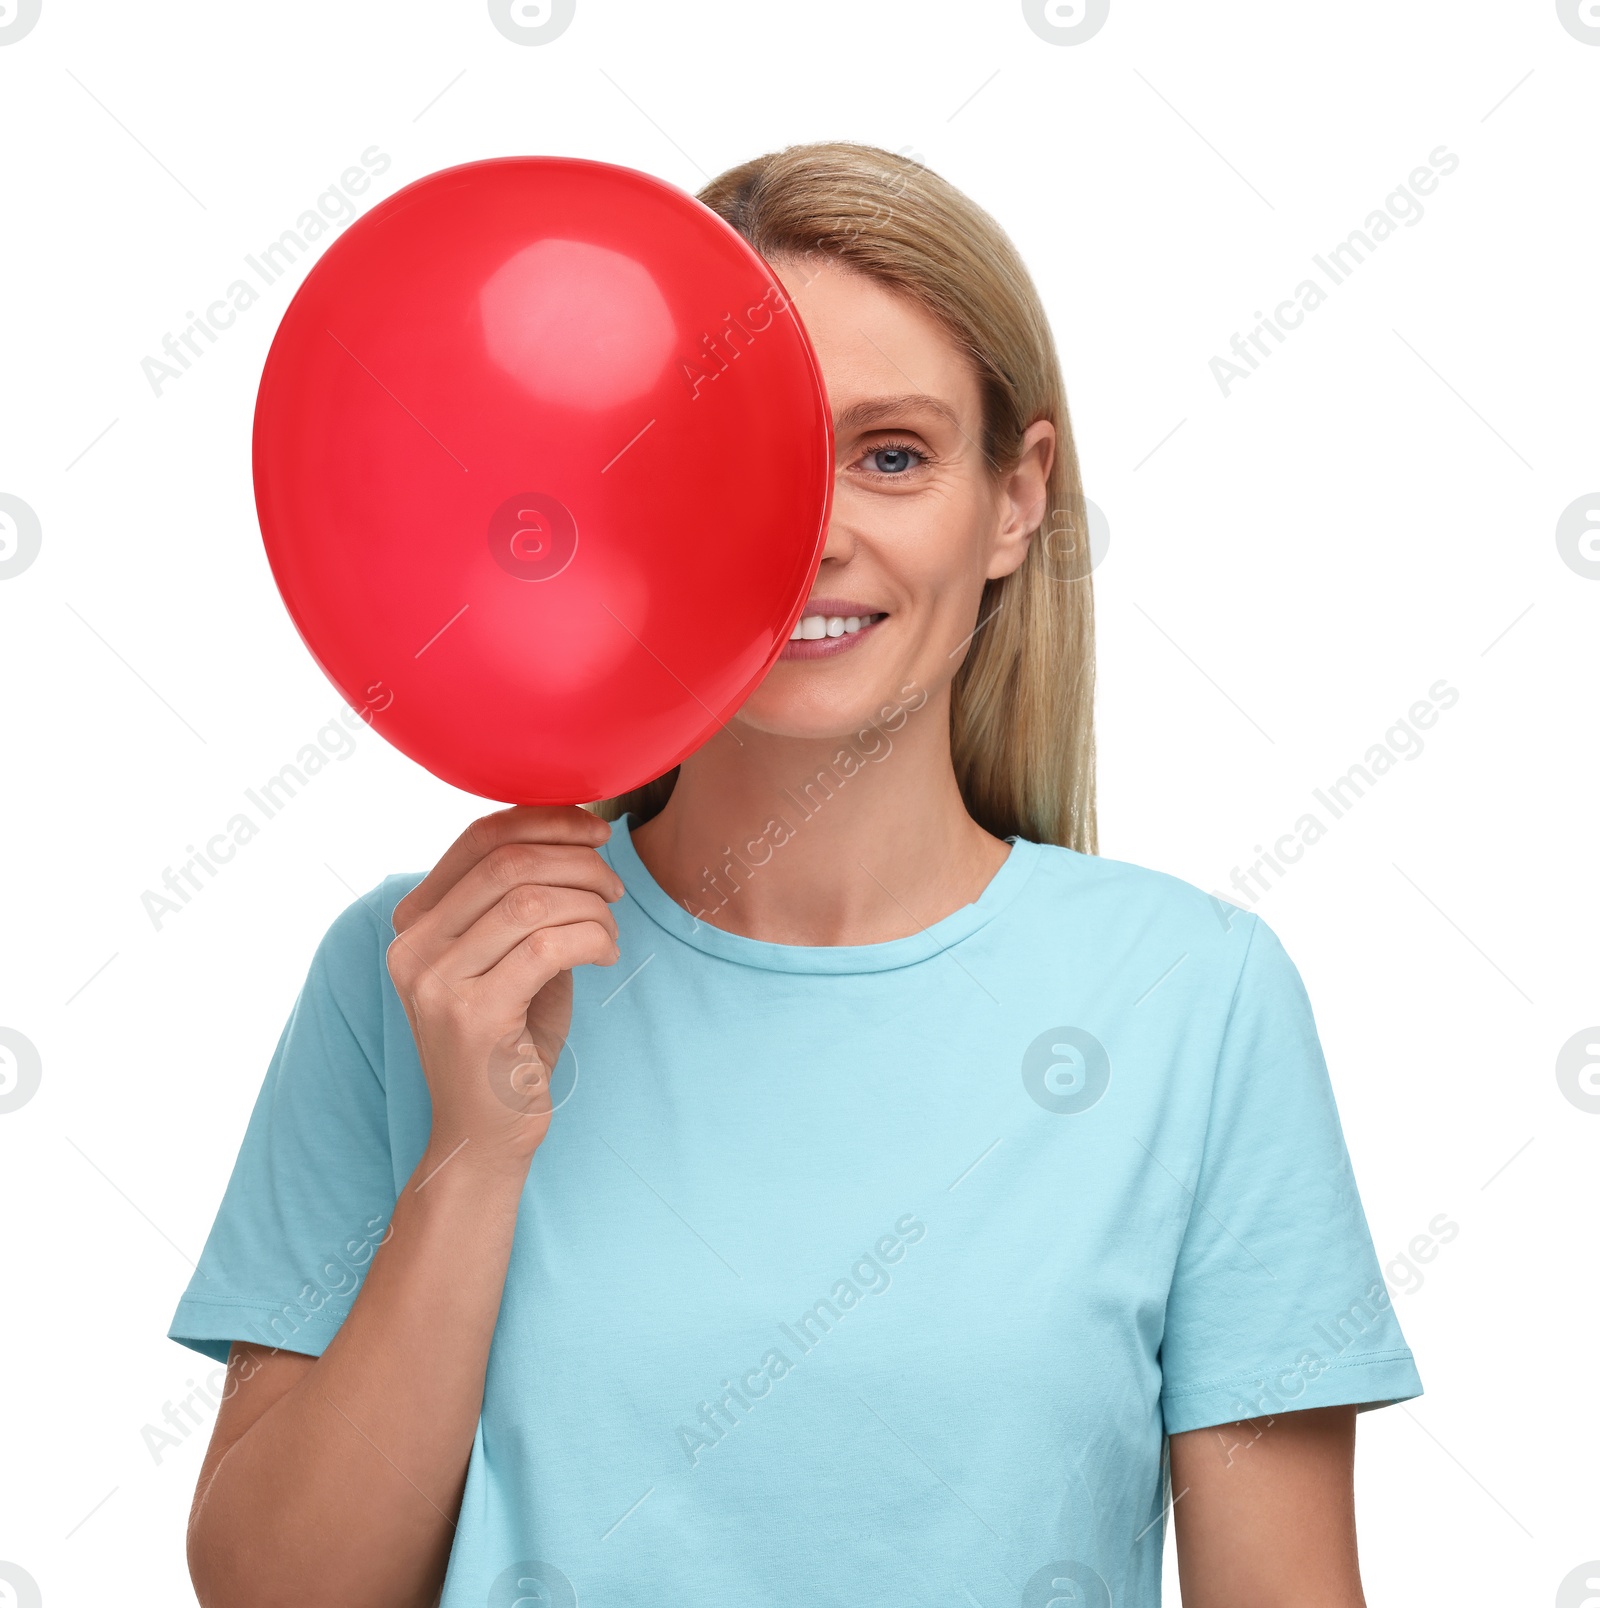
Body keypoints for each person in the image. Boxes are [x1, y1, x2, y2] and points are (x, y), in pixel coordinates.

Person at [172, 141, 1421, 1608]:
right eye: (737, 453)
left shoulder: (1195, 1001)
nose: (814, 535)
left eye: (892, 455)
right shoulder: (429, 972)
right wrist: (472, 1158)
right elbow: (272, 1592)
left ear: (1016, 498)